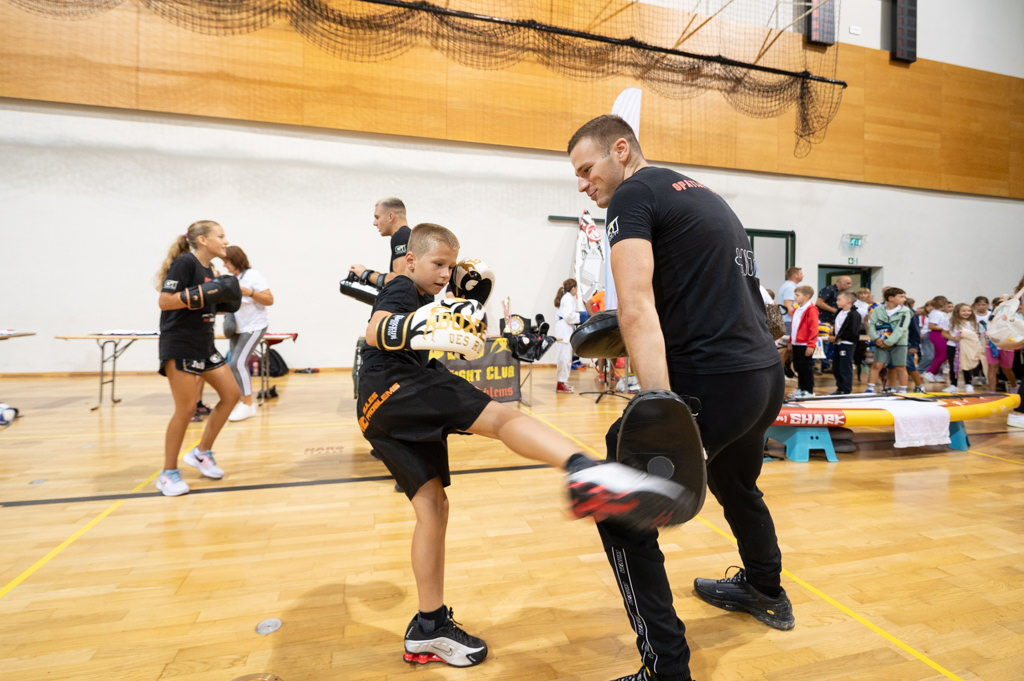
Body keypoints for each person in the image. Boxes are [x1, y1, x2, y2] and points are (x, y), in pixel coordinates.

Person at [357, 221, 689, 669]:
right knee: (503, 416)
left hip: (375, 410)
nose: (445, 274)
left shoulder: (411, 290)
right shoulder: (402, 286)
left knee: (432, 509)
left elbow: (386, 295)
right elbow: (377, 328)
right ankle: (583, 468)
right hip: (398, 386)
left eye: (450, 265)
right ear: (412, 260)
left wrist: (439, 319)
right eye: (438, 264)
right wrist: (419, 324)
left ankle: (428, 628)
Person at [567, 115, 788, 681]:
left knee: (618, 506)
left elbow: (638, 303)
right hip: (761, 376)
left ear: (621, 150)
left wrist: (660, 409)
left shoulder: (633, 196)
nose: (583, 184)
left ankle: (666, 667)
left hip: (711, 379)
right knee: (736, 482)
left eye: (587, 169)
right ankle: (765, 587)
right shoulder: (695, 190)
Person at [154, 220, 242, 496]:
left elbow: (201, 304)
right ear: (203, 240)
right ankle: (168, 473)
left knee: (231, 395)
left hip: (204, 344)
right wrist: (205, 292)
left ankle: (202, 452)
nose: (226, 241)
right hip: (180, 344)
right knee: (187, 408)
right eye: (221, 236)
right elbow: (166, 301)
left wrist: (221, 298)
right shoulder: (185, 263)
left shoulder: (209, 268)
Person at [221, 245, 275, 422]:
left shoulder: (253, 276)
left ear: (235, 261)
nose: (225, 266)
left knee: (238, 362)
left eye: (226, 262)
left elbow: (269, 299)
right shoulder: (232, 278)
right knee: (233, 364)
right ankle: (243, 401)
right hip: (238, 327)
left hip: (254, 326)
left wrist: (250, 292)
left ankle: (248, 404)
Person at [348, 197, 411, 290]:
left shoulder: (400, 236)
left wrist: (365, 274)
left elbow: (400, 280)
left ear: (390, 216)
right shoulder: (409, 235)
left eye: (377, 217)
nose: (374, 223)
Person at [865, 287, 913, 394]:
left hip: (899, 343)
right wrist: (876, 339)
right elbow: (872, 325)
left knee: (900, 366)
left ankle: (903, 390)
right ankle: (870, 389)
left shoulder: (905, 312)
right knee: (877, 365)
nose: (904, 299)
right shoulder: (878, 310)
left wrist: (888, 342)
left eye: (904, 296)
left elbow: (901, 328)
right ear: (891, 298)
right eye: (901, 296)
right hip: (880, 342)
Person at [941, 303, 983, 392]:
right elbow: (944, 333)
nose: (967, 313)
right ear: (957, 312)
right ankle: (953, 384)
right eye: (964, 311)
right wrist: (953, 338)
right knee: (953, 365)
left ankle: (968, 383)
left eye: (969, 311)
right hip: (953, 346)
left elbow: (976, 334)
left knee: (966, 364)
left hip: (967, 347)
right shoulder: (950, 321)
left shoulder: (973, 322)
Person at [815, 275, 852, 371]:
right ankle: (824, 365)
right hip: (824, 320)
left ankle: (827, 365)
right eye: (847, 283)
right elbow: (819, 302)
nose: (850, 285)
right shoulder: (829, 290)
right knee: (825, 343)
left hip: (833, 321)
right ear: (840, 282)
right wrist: (835, 311)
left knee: (830, 345)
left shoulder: (842, 293)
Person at [789, 285, 819, 398]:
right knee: (798, 367)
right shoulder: (797, 309)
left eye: (797, 295)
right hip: (796, 343)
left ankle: (809, 391)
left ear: (807, 296)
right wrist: (791, 341)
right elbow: (794, 326)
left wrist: (811, 345)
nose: (795, 297)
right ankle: (801, 388)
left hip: (805, 344)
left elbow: (814, 328)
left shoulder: (811, 310)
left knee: (806, 368)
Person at [828, 291, 860, 394]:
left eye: (839, 299)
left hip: (847, 344)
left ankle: (846, 389)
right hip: (838, 343)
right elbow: (838, 326)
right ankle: (840, 387)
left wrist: (838, 338)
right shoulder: (839, 312)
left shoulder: (854, 314)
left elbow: (852, 331)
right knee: (836, 367)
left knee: (844, 367)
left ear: (848, 300)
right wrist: (832, 332)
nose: (837, 302)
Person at [553, 278, 581, 393]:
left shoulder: (566, 297)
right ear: (573, 288)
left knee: (565, 357)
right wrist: (580, 317)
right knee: (564, 358)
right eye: (576, 288)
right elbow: (568, 316)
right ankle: (561, 383)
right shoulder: (568, 298)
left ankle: (563, 382)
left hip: (564, 328)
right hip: (564, 329)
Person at [776, 266, 803, 378]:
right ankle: (779, 372)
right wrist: (802, 317)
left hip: (789, 321)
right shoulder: (790, 288)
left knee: (789, 349)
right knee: (785, 348)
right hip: (788, 321)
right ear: (795, 275)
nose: (803, 275)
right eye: (801, 273)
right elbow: (788, 307)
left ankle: (786, 370)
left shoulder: (790, 286)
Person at [922, 295, 951, 382]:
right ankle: (929, 372)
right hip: (937, 334)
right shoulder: (936, 313)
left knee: (938, 355)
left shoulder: (941, 313)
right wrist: (945, 328)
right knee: (944, 354)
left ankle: (935, 373)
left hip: (941, 334)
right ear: (944, 304)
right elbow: (931, 326)